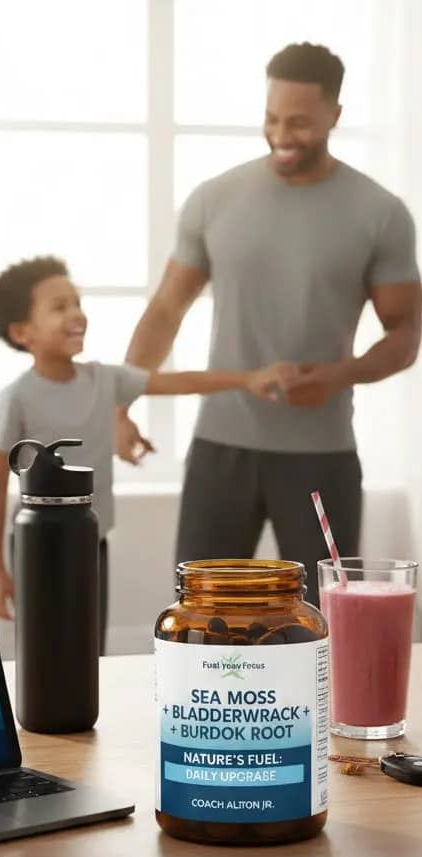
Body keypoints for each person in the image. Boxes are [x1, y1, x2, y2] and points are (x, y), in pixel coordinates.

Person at [115, 42, 422, 606]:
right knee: (200, 619)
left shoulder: (380, 213)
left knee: (318, 625)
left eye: (300, 122)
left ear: (335, 115)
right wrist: (118, 404)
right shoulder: (214, 199)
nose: (282, 133)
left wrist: (338, 375)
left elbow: (405, 334)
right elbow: (165, 310)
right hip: (219, 450)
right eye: (272, 118)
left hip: (321, 456)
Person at [0, 255, 297, 651]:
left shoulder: (104, 379)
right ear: (22, 331)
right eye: (59, 307)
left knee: (89, 645)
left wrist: (247, 378)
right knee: (43, 648)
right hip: (35, 547)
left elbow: (177, 381)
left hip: (92, 541)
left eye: (77, 302)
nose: (76, 314)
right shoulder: (17, 398)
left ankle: (85, 714)